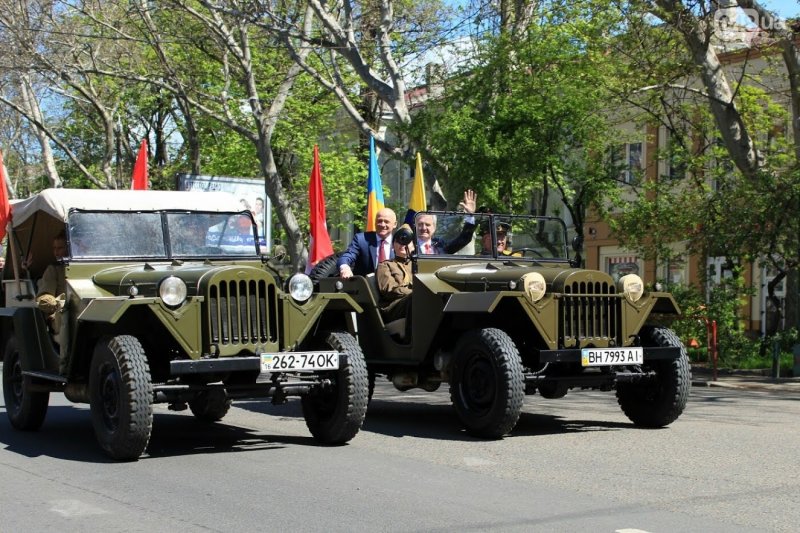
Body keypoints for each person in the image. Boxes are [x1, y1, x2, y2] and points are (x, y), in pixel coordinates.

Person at [337, 207, 397, 279]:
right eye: (379, 221)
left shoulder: (400, 242)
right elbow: (347, 256)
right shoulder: (361, 239)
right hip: (366, 286)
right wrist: (344, 267)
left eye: (386, 222)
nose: (382, 225)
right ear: (375, 222)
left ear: (395, 224)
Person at [416, 189, 477, 254]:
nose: (423, 228)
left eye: (427, 224)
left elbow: (463, 240)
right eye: (420, 224)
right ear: (415, 226)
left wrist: (470, 215)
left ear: (434, 227)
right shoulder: (409, 245)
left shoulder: (440, 245)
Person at [376, 225, 414, 325]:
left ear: (413, 245)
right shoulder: (385, 265)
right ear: (393, 245)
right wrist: (416, 293)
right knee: (416, 299)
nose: (402, 244)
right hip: (394, 307)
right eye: (398, 241)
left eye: (407, 241)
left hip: (413, 301)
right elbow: (389, 290)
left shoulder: (417, 265)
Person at [36, 232, 68, 334]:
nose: (56, 252)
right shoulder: (53, 269)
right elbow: (44, 297)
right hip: (62, 316)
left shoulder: (84, 267)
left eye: (60, 248)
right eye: (54, 248)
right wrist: (58, 305)